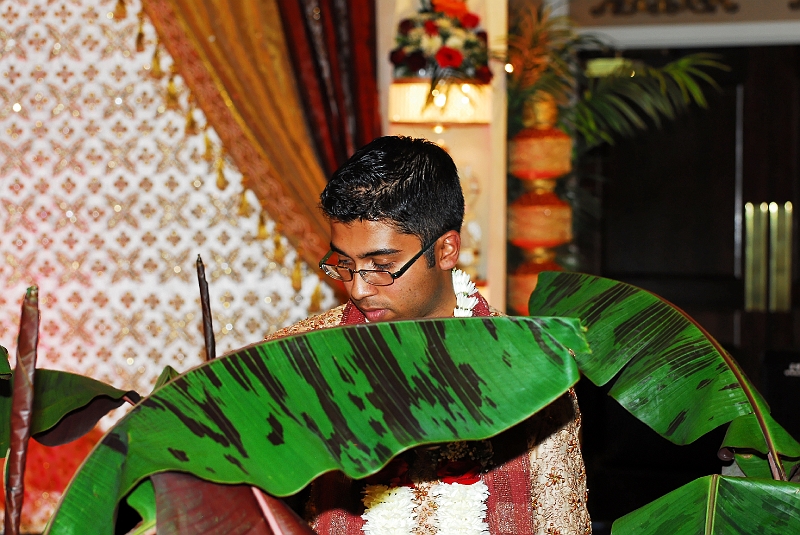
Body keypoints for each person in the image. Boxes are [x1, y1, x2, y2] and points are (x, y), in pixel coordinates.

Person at [267, 136, 591, 534]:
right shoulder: (298, 358)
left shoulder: (531, 366)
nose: (358, 289)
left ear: (447, 249)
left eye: (381, 265)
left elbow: (561, 523)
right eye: (345, 263)